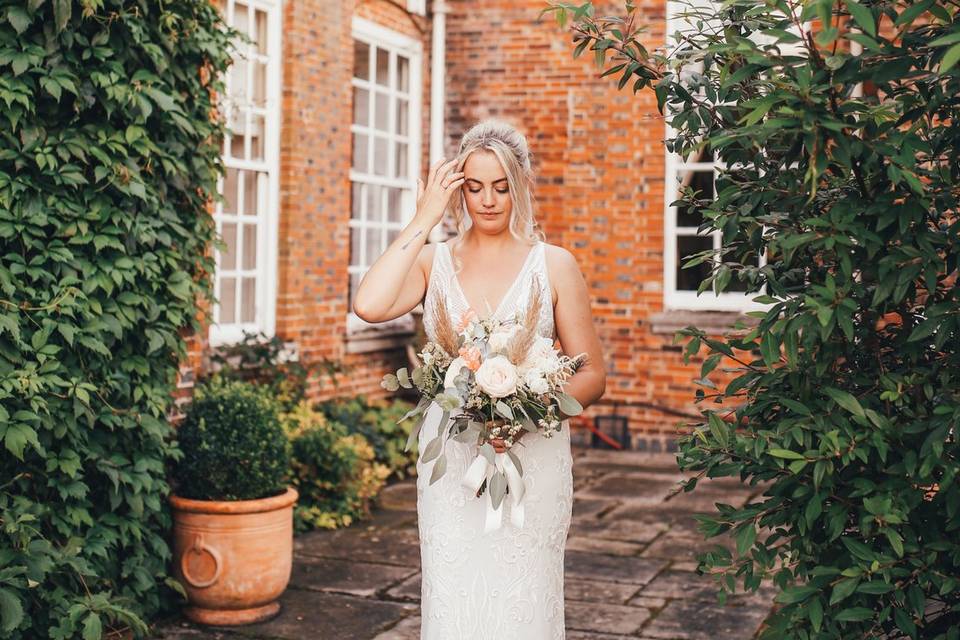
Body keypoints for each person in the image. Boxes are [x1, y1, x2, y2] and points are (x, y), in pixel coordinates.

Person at [352, 119, 606, 639]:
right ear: (458, 191)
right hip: (453, 463)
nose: (488, 200)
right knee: (454, 598)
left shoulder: (553, 265)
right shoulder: (432, 261)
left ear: (520, 186)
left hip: (531, 459)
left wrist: (528, 415)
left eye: (501, 186)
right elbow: (368, 304)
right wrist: (425, 217)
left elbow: (593, 374)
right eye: (473, 187)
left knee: (524, 599)